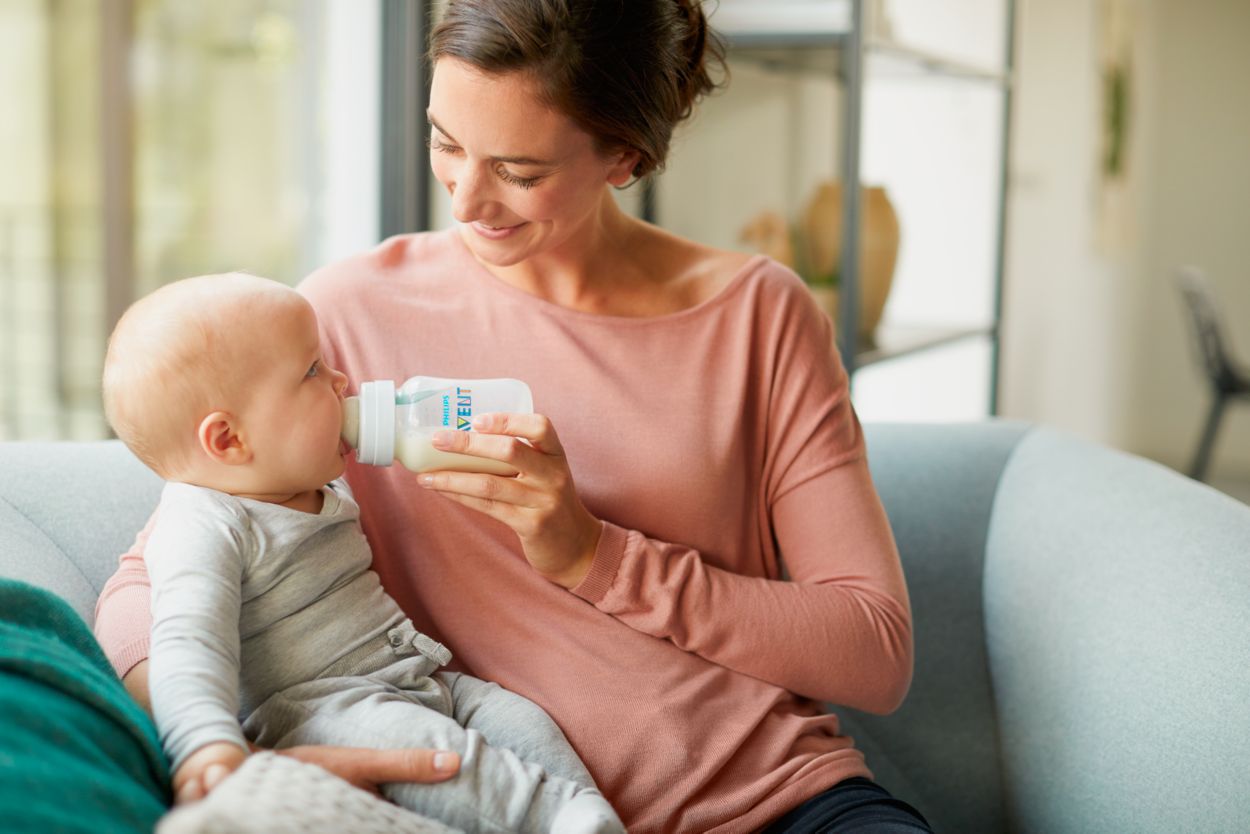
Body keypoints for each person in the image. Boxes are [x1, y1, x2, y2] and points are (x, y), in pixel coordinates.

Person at [95, 1, 933, 830]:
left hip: (779, 800)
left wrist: (596, 557)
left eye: (520, 172)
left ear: (624, 156)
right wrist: (230, 756)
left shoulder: (758, 316)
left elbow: (874, 649)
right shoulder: (338, 323)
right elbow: (157, 582)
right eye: (445, 143)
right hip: (493, 806)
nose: (465, 201)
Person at [100, 272, 625, 833]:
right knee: (451, 765)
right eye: (311, 372)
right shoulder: (205, 523)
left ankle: (588, 815)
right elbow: (188, 640)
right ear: (229, 440)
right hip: (327, 710)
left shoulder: (305, 479)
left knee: (523, 723)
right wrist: (205, 746)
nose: (342, 379)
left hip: (420, 677)